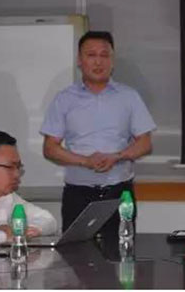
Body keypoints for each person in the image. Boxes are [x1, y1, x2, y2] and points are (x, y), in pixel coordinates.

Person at [40, 31, 156, 236]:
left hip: (119, 193)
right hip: (78, 194)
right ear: (79, 60)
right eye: (91, 55)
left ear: (112, 61)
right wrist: (85, 161)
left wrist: (117, 157)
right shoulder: (64, 99)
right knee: (76, 253)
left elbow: (145, 143)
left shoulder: (129, 97)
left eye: (104, 55)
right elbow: (50, 148)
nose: (98, 62)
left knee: (121, 251)